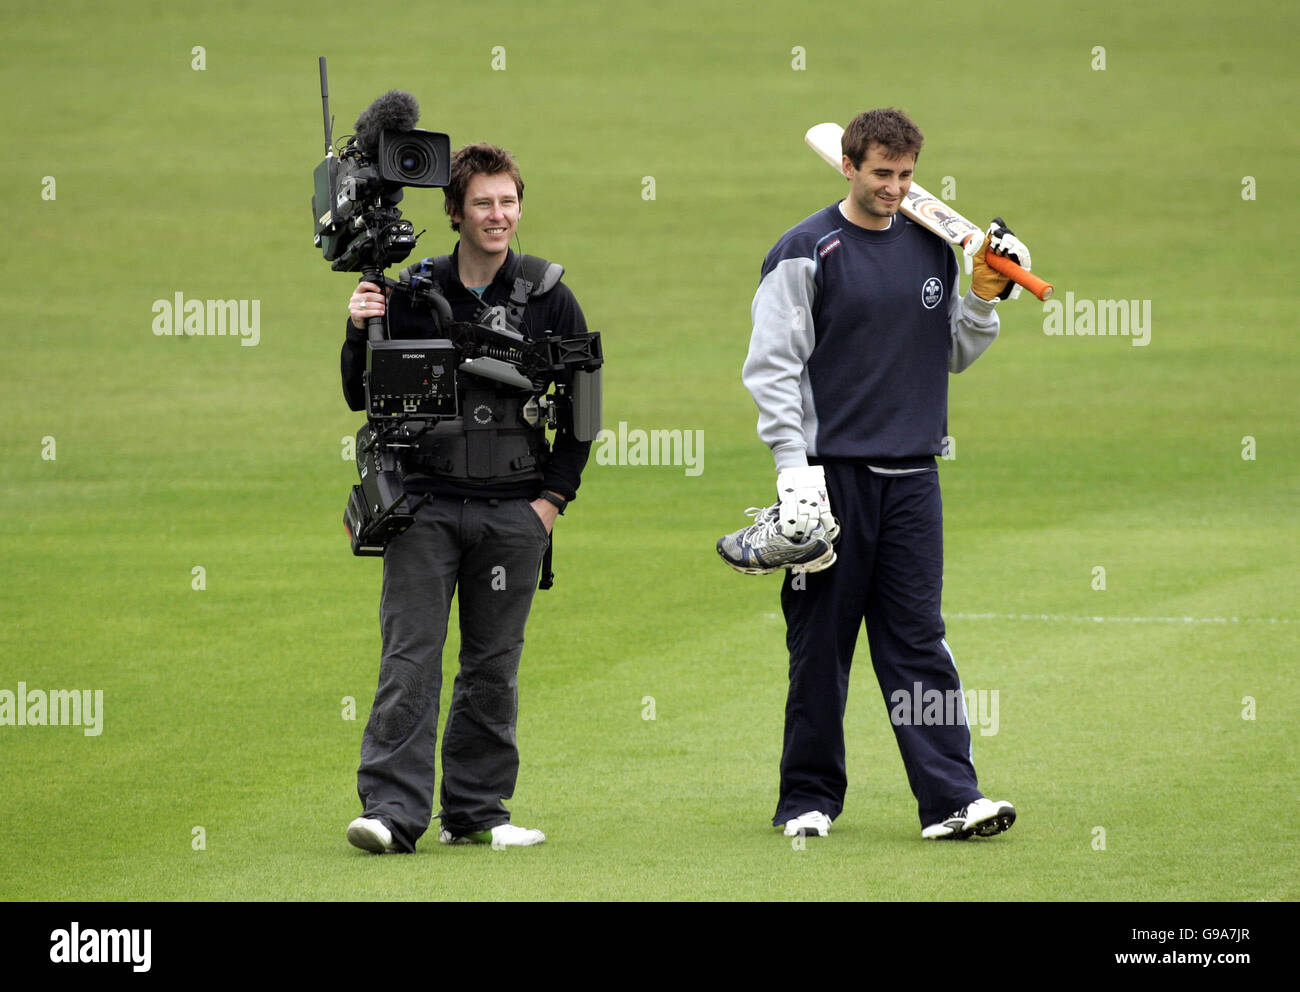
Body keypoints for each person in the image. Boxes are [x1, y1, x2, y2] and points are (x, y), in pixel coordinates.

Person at [719, 109, 1023, 840]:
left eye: (906, 175)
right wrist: (793, 473)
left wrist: (982, 296)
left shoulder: (931, 245)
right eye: (881, 174)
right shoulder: (805, 250)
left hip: (915, 473)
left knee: (918, 639)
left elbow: (951, 352)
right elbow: (773, 370)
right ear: (848, 166)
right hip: (831, 479)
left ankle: (953, 799)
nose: (894, 187)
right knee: (821, 647)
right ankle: (807, 801)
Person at [340, 143, 593, 853]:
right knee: (410, 660)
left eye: (508, 201)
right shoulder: (411, 292)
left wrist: (550, 504)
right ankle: (391, 813)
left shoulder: (550, 296)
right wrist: (359, 328)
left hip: (516, 512)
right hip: (422, 510)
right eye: (483, 202)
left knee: (492, 666)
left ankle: (478, 813)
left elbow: (583, 410)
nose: (498, 214)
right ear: (455, 211)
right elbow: (360, 393)